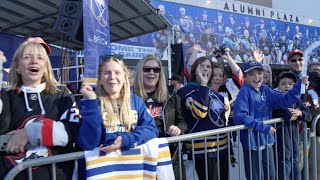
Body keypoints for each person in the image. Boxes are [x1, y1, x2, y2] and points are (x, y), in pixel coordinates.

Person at [0, 37, 79, 179]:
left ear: (46, 66)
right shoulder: (5, 95)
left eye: (40, 58)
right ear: (17, 66)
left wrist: (29, 133)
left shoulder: (62, 94)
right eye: (27, 57)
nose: (34, 61)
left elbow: (70, 130)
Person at [77, 56, 159, 178]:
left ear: (125, 77)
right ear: (100, 79)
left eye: (117, 72)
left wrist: (127, 140)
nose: (112, 77)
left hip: (130, 172)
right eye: (107, 73)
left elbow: (152, 130)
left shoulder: (136, 102)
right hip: (101, 173)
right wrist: (91, 102)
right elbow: (88, 143)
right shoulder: (90, 104)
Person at [233, 60, 309, 180]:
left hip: (267, 140)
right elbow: (240, 116)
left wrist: (299, 85)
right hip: (252, 142)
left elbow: (283, 101)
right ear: (246, 77)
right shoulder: (244, 92)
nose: (256, 77)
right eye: (251, 74)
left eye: (259, 73)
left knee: (271, 175)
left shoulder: (266, 89)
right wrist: (263, 127)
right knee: (255, 176)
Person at [133, 54, 187, 179]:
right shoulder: (130, 96)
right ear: (140, 72)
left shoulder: (171, 94)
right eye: (147, 69)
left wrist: (178, 129)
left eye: (156, 69)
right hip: (142, 158)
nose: (152, 72)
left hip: (170, 156)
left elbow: (182, 122)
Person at [178, 56, 230, 180]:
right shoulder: (186, 91)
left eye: (208, 67)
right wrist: (203, 85)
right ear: (195, 70)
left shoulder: (218, 96)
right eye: (202, 66)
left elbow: (221, 121)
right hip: (203, 150)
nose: (205, 69)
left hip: (222, 148)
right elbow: (200, 112)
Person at [272, 71, 312, 180]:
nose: (287, 86)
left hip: (295, 142)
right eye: (283, 83)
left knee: (296, 166)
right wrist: (293, 114)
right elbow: (286, 114)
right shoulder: (275, 100)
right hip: (280, 142)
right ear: (278, 87)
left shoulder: (298, 101)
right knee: (284, 168)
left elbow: (309, 115)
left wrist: (300, 113)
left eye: (291, 84)